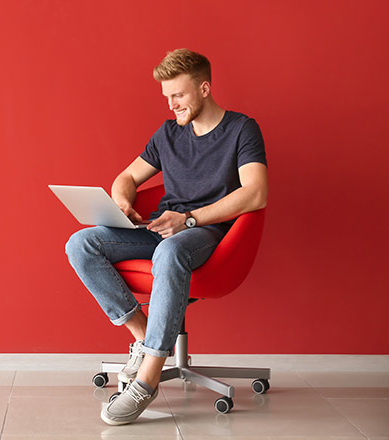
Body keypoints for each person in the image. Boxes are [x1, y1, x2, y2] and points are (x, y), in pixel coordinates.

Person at [65, 48, 268, 425]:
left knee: (171, 251)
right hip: (163, 227)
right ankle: (143, 335)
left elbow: (256, 192)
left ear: (204, 88)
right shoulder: (168, 133)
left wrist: (188, 220)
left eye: (179, 95)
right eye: (167, 97)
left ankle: (148, 379)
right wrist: (123, 203)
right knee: (81, 243)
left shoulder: (242, 129)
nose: (172, 104)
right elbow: (125, 178)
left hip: (211, 235)